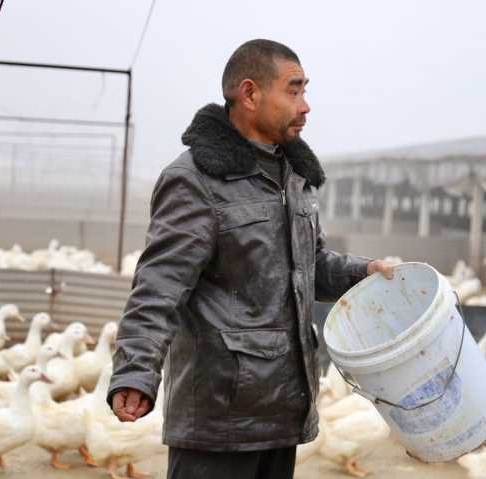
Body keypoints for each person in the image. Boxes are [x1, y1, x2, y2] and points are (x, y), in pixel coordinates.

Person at [107, 39, 396, 479]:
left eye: (305, 91)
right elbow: (159, 286)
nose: (305, 106)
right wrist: (135, 371)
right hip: (218, 421)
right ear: (249, 93)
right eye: (293, 90)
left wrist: (363, 272)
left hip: (281, 413)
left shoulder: (293, 175)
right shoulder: (196, 180)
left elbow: (308, 264)